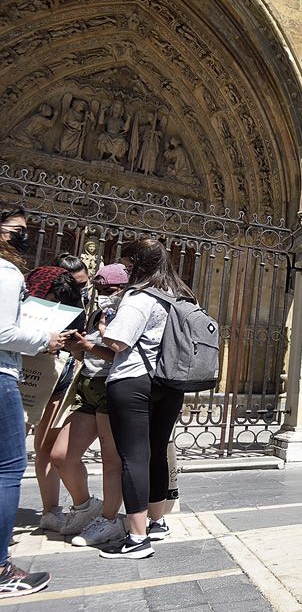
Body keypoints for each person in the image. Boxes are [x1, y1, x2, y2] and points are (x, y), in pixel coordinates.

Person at [98, 239, 190, 559]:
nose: (122, 269)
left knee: (134, 457)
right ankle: (157, 521)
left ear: (137, 264)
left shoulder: (138, 297)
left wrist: (100, 326)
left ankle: (136, 539)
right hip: (170, 384)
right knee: (156, 454)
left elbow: (118, 341)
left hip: (135, 380)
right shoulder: (177, 297)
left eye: (125, 263)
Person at [0, 205, 62, 596]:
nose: (25, 235)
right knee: (8, 467)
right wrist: (45, 339)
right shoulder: (6, 273)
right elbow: (4, 332)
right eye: (19, 229)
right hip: (1, 373)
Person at [57, 263, 129, 547]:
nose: (104, 294)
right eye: (99, 289)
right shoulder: (99, 311)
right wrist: (77, 346)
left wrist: (98, 340)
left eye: (110, 289)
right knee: (62, 455)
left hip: (110, 387)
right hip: (86, 384)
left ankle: (110, 520)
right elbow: (89, 352)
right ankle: (86, 507)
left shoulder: (126, 313)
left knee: (112, 460)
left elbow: (124, 357)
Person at [25, 266, 86, 534]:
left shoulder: (72, 300)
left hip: (55, 376)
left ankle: (51, 511)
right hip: (17, 376)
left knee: (46, 448)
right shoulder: (19, 303)